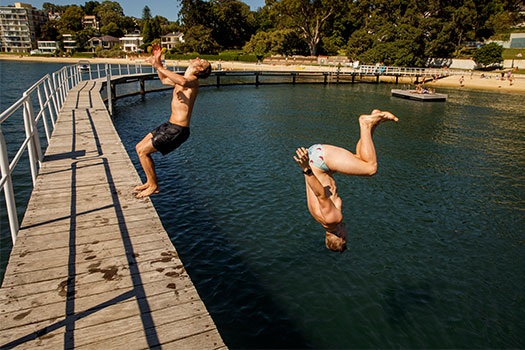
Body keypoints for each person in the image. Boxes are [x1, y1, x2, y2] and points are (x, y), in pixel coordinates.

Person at [293, 109, 398, 252]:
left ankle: (365, 123)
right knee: (361, 159)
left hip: (319, 161)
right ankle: (374, 121)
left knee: (371, 168)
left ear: (341, 236)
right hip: (318, 160)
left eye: (346, 237)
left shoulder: (332, 220)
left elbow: (321, 195)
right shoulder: (321, 220)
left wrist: (306, 169)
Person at [134, 44, 211, 198]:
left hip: (178, 130)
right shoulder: (182, 79)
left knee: (143, 152)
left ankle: (154, 186)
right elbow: (163, 80)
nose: (197, 58)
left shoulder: (193, 82)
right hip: (169, 125)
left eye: (200, 60)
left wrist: (157, 65)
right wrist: (159, 62)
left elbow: (182, 82)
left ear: (200, 70)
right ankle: (150, 182)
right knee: (139, 148)